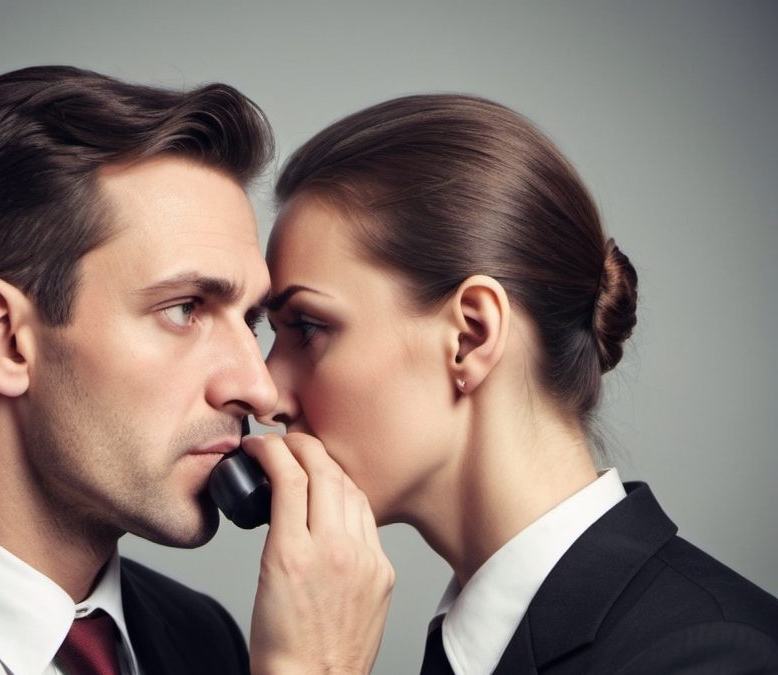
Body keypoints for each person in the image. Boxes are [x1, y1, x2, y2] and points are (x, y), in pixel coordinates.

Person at [0, 65, 393, 674]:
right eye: (184, 309)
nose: (256, 387)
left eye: (249, 320)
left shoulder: (211, 643)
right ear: (4, 339)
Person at [250, 94, 778, 673]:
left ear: (471, 336)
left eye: (307, 327)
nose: (266, 390)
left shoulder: (711, 657)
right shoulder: (471, 650)